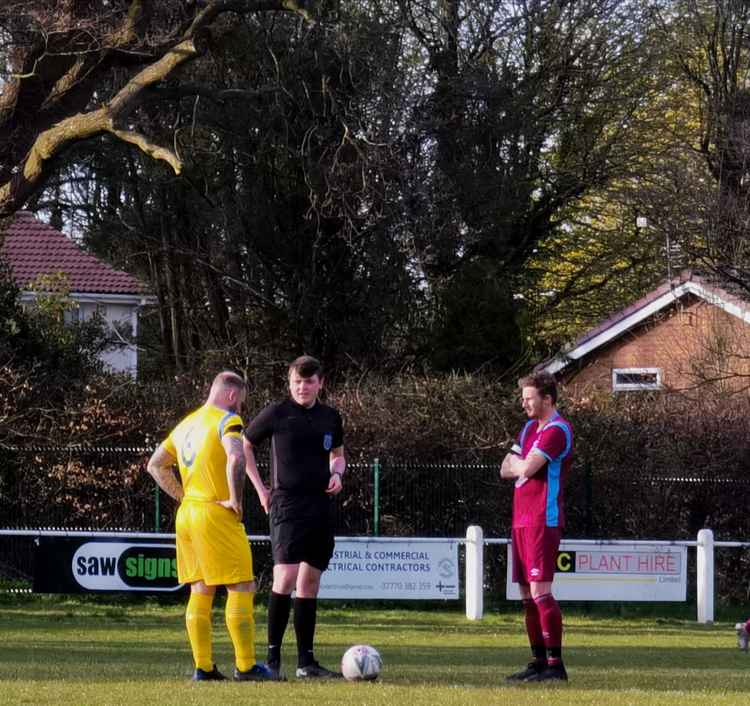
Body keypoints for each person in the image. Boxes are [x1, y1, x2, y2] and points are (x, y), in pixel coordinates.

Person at [146, 371, 278, 682]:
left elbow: (155, 465)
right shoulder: (226, 420)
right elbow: (235, 457)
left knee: (201, 588)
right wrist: (235, 499)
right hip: (215, 512)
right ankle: (246, 667)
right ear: (233, 395)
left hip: (189, 513)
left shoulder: (185, 425)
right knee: (242, 585)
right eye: (242, 402)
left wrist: (183, 496)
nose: (241, 408)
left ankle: (203, 667)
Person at [243, 355, 345, 680]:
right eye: (297, 382)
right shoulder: (276, 413)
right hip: (286, 505)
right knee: (284, 577)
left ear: (320, 383)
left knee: (310, 583)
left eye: (309, 381)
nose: (302, 387)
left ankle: (306, 663)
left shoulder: (331, 417)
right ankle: (272, 661)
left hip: (320, 506)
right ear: (290, 383)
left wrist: (338, 474)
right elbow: (244, 445)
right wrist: (260, 489)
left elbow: (338, 455)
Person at [500, 371, 573, 682]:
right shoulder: (530, 427)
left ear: (548, 399)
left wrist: (522, 466)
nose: (524, 403)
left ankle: (556, 665)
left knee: (541, 591)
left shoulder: (558, 430)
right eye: (523, 398)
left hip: (543, 519)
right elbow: (505, 468)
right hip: (521, 520)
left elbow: (527, 467)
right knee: (526, 594)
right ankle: (538, 661)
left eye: (530, 399)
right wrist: (521, 466)